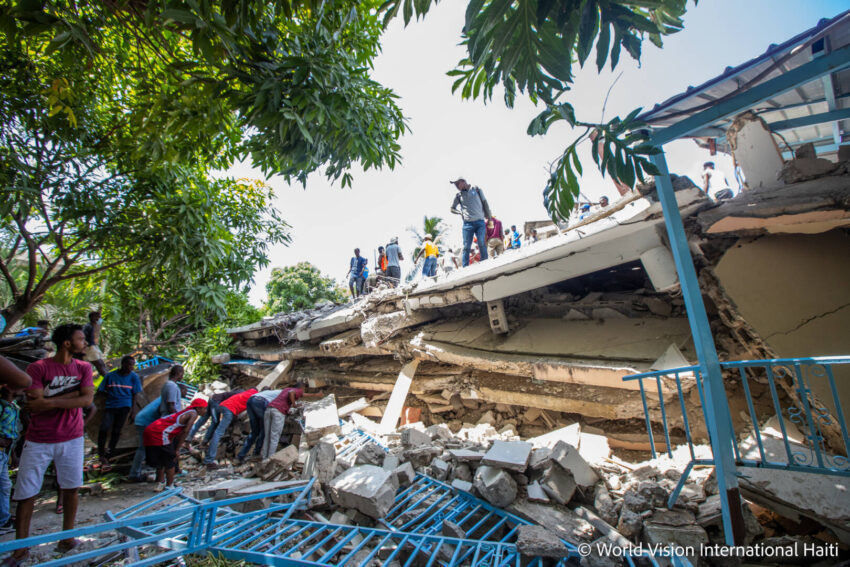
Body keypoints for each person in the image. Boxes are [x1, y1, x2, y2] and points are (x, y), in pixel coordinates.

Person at [8, 323, 94, 563]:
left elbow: (86, 399)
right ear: (67, 343)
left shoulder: (84, 368)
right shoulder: (39, 368)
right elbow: (34, 400)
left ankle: (67, 537)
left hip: (72, 437)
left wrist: (50, 402)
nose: (85, 343)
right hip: (39, 439)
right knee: (26, 493)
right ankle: (21, 548)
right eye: (81, 339)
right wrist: (72, 397)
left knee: (71, 488)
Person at [143, 398, 207, 491]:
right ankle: (170, 485)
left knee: (160, 459)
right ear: (199, 408)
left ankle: (160, 483)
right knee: (170, 460)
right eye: (204, 408)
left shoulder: (185, 412)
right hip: (160, 433)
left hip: (151, 430)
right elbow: (186, 431)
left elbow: (178, 432)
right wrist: (177, 449)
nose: (206, 411)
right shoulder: (193, 414)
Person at [96, 355, 141, 472]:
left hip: (124, 406)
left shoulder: (134, 377)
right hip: (110, 406)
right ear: (123, 364)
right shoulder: (110, 376)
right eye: (129, 365)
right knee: (104, 428)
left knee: (117, 431)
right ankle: (101, 453)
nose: (131, 367)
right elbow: (101, 391)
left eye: (133, 365)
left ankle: (109, 455)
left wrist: (133, 411)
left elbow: (135, 394)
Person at [204, 388, 257, 469]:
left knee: (216, 425)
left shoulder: (245, 393)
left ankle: (206, 443)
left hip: (222, 405)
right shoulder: (254, 396)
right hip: (229, 409)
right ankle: (209, 460)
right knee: (218, 433)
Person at [449, 178, 491, 266]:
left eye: (457, 184)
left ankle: (485, 263)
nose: (456, 186)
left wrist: (489, 218)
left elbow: (485, 203)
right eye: (455, 185)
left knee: (481, 242)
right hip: (468, 225)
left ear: (463, 181)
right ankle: (465, 267)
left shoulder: (476, 189)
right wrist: (459, 212)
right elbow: (452, 208)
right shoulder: (458, 196)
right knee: (466, 246)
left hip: (480, 222)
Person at [261, 382, 305, 460]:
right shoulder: (297, 390)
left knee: (267, 435)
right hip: (278, 412)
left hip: (269, 409)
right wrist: (294, 404)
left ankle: (264, 457)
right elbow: (292, 393)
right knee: (274, 437)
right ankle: (269, 459)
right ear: (301, 387)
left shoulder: (285, 389)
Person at [236, 388, 281, 464]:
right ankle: (256, 453)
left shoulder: (265, 393)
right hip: (260, 402)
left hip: (250, 401)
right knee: (264, 430)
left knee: (254, 432)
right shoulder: (282, 392)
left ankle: (241, 456)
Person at [0, 386, 21, 535]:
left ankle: (4, 520)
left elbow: (11, 434)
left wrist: (13, 455)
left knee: (5, 486)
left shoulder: (14, 407)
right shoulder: (1, 406)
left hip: (5, 453)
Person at [129, 396, 162, 482]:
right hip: (144, 422)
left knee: (147, 448)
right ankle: (134, 474)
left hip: (143, 420)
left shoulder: (164, 397)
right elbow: (161, 411)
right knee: (143, 448)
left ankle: (141, 471)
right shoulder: (168, 398)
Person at [82, 311, 108, 377]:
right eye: (99, 317)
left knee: (101, 364)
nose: (100, 319)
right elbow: (82, 337)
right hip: (89, 348)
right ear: (93, 317)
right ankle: (110, 381)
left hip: (93, 347)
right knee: (100, 365)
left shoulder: (93, 327)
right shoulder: (88, 327)